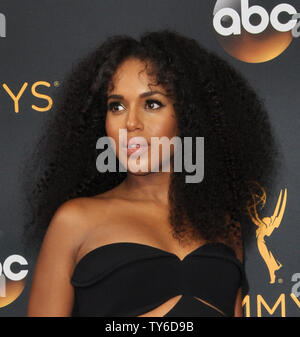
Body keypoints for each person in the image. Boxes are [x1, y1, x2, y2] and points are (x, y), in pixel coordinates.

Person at [23, 29, 279, 317]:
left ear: (188, 116)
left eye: (152, 103)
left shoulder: (224, 226)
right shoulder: (74, 221)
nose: (131, 122)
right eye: (116, 106)